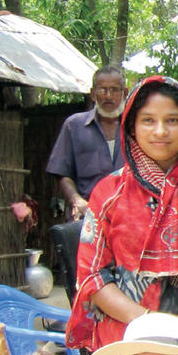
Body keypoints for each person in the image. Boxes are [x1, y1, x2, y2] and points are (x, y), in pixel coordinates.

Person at [68, 76, 178, 355]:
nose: (160, 131)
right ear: (131, 125)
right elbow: (93, 275)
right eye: (148, 120)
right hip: (124, 338)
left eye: (172, 120)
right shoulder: (109, 191)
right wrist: (148, 325)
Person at [47, 66, 128, 299]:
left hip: (128, 219)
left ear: (125, 91)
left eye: (114, 89)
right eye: (103, 89)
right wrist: (76, 200)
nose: (109, 96)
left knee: (126, 283)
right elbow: (62, 172)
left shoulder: (136, 126)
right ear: (93, 93)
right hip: (88, 217)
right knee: (86, 285)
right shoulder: (74, 125)